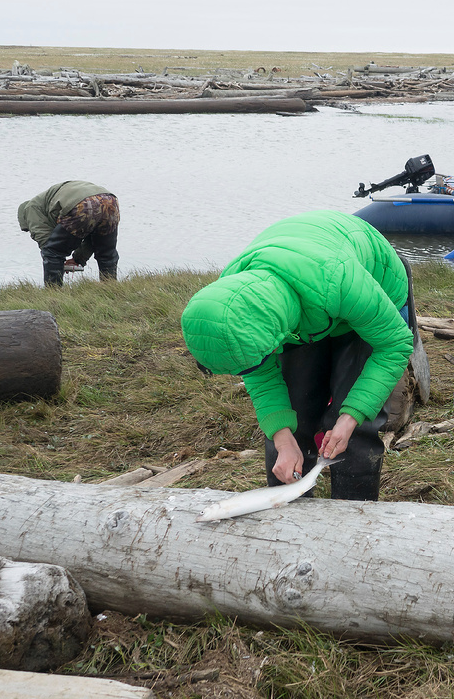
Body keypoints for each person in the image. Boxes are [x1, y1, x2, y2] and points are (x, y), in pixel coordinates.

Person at [181, 211, 426, 501]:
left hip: (366, 287)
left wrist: (350, 418)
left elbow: (394, 344)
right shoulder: (234, 308)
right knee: (294, 417)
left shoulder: (338, 279)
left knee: (355, 426)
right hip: (305, 302)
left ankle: (354, 521)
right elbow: (260, 373)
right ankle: (290, 519)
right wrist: (283, 439)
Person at [17, 181, 119, 286]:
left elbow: (45, 240)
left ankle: (53, 294)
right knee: (106, 253)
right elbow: (92, 239)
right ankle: (111, 289)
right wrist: (78, 259)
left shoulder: (30, 208)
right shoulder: (45, 202)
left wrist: (55, 261)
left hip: (81, 204)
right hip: (110, 200)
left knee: (52, 252)